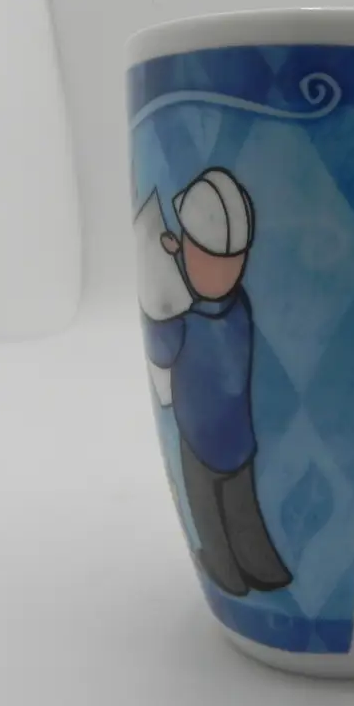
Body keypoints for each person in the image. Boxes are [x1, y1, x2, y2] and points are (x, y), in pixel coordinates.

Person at [142, 168, 292, 596]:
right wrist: (181, 254)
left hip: (200, 441)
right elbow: (209, 282)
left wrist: (163, 275)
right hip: (240, 441)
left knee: (209, 514)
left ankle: (226, 576)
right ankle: (266, 570)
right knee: (243, 510)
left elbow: (161, 347)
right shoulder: (240, 307)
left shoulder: (188, 324)